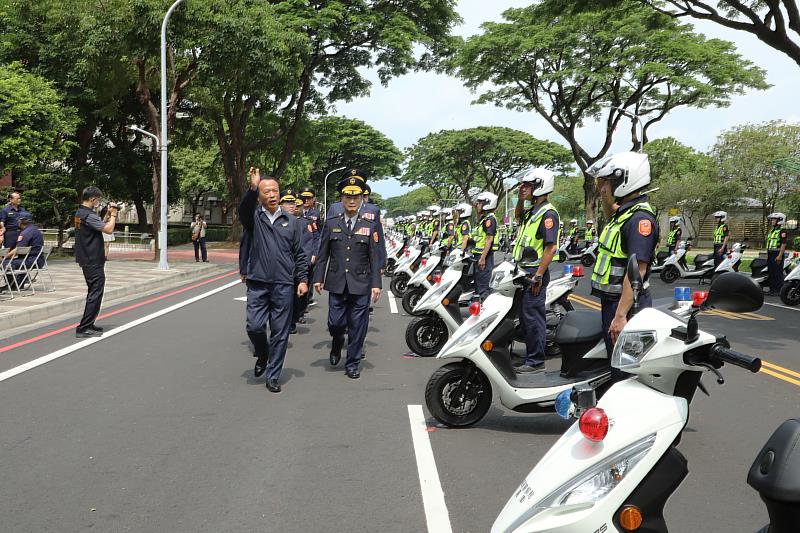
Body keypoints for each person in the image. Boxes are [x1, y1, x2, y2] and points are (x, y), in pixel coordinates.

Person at [239, 168, 308, 393]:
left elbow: (299, 254)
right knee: (255, 326)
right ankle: (263, 353)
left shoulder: (292, 221)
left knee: (280, 332)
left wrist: (302, 279)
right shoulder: (254, 218)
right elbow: (244, 210)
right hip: (258, 282)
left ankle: (273, 375)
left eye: (275, 190)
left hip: (284, 284)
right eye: (266, 191)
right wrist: (251, 188)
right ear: (259, 196)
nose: (272, 194)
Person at [588, 152, 658, 361]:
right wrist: (605, 196)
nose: (602, 187)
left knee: (624, 365)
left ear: (624, 181)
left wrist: (620, 316)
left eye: (607, 182)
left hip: (627, 305)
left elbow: (637, 270)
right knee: (613, 359)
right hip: (615, 301)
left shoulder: (639, 220)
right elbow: (612, 213)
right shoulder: (625, 213)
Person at [313, 172, 382, 380]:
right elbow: (323, 252)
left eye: (356, 197)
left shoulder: (369, 226)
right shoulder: (332, 222)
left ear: (361, 199)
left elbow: (374, 257)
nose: (351, 201)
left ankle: (352, 363)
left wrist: (376, 284)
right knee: (335, 324)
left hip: (360, 283)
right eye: (347, 197)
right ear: (341, 199)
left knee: (357, 326)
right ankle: (336, 344)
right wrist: (318, 278)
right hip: (336, 283)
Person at [512, 168, 560, 374]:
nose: (523, 188)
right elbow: (517, 217)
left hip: (534, 273)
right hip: (524, 271)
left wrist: (538, 275)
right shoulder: (534, 211)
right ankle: (531, 353)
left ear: (540, 187)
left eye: (528, 185)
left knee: (533, 317)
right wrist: (520, 198)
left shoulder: (548, 214)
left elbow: (551, 248)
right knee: (523, 317)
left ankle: (536, 362)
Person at [74, 187, 118, 338]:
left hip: (86, 257)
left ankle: (89, 323)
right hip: (92, 258)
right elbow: (108, 229)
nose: (99, 202)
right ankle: (84, 327)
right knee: (95, 291)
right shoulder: (88, 215)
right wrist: (114, 215)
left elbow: (97, 226)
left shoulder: (80, 213)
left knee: (94, 290)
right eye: (98, 199)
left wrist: (106, 216)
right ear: (93, 199)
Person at [1, 212, 44, 291]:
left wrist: (4, 257)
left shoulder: (25, 233)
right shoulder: (35, 230)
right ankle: (19, 283)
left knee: (5, 263)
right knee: (18, 261)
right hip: (39, 260)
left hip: (31, 260)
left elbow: (18, 249)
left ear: (21, 221)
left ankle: (13, 285)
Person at [470, 191, 499, 300]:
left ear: (487, 203)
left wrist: (482, 258)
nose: (477, 205)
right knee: (478, 285)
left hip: (485, 257)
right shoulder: (484, 218)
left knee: (483, 286)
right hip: (478, 256)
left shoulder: (490, 219)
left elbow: (489, 239)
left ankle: (483, 308)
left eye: (480, 203)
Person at [765, 212, 788, 296]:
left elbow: (783, 244)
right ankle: (772, 289)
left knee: (777, 272)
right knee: (771, 272)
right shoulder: (772, 230)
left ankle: (778, 290)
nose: (772, 221)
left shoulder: (782, 231)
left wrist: (780, 256)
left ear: (780, 220)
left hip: (777, 253)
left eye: (774, 219)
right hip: (770, 253)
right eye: (772, 219)